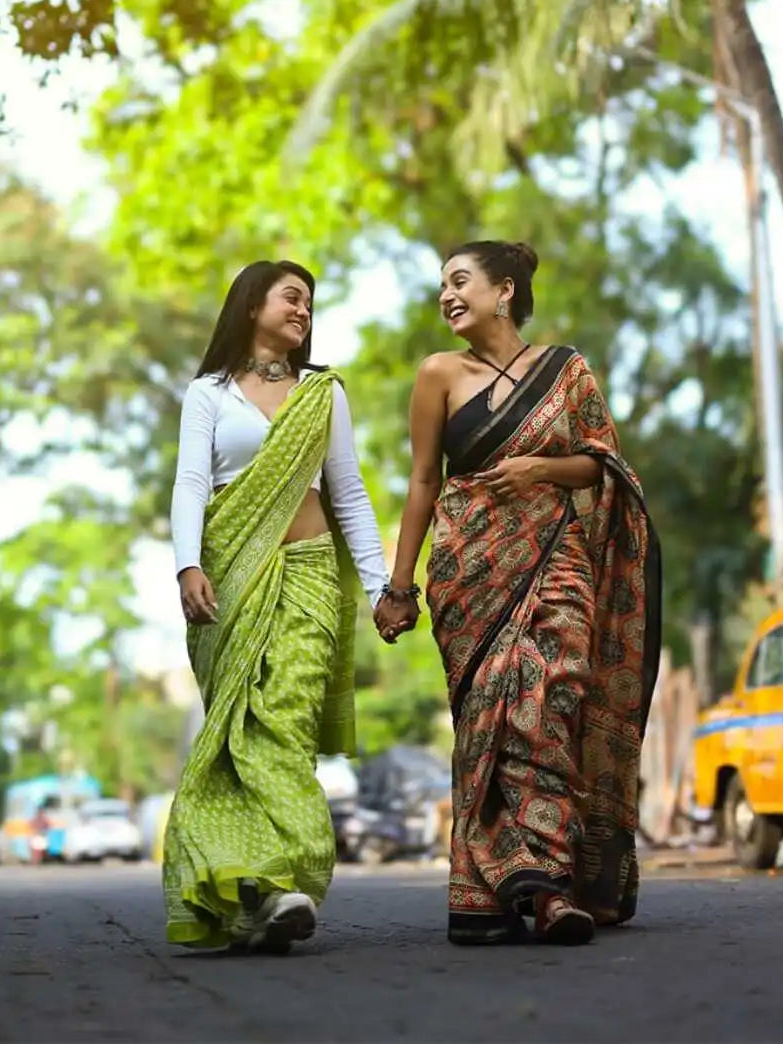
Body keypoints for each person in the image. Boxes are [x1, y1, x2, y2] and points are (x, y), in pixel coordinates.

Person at [376, 241, 661, 947]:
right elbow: (422, 482)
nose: (446, 294)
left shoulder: (567, 371)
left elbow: (602, 468)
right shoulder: (438, 374)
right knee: (489, 722)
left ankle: (548, 881)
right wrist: (400, 584)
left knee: (555, 691)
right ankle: (510, 886)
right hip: (468, 568)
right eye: (441, 284)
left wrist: (540, 469)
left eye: (460, 280)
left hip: (556, 554)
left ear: (504, 291)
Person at [163, 259, 395, 953]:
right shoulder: (208, 393)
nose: (303, 309)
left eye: (309, 302)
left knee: (282, 720)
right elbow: (190, 483)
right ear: (251, 304)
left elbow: (348, 494)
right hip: (229, 579)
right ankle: (254, 890)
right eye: (291, 296)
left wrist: (382, 587)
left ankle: (278, 873)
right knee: (235, 735)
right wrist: (186, 565)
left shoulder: (323, 395)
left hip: (311, 573)